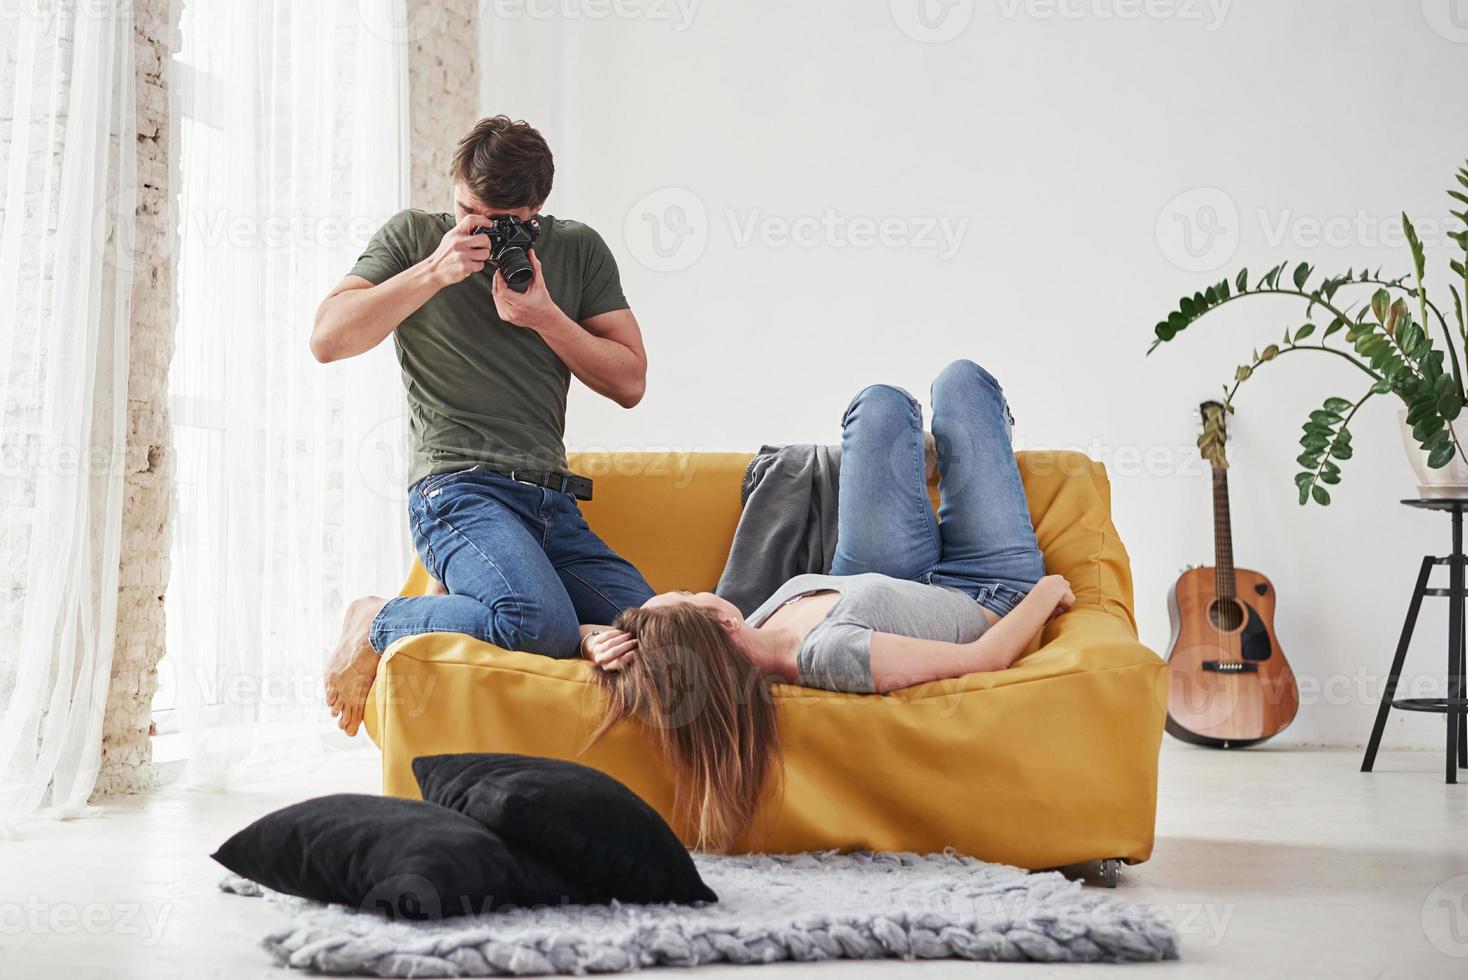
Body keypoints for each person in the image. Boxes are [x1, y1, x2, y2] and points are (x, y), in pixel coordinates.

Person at [582, 359, 1072, 850]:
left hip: (876, 574)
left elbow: (642, 654)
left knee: (877, 404)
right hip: (984, 586)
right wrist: (1047, 591)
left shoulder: (751, 625)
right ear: (722, 622)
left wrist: (596, 643)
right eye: (688, 595)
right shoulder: (826, 656)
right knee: (961, 384)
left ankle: (925, 460)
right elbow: (982, 659)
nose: (695, 589)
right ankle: (975, 449)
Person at [315, 116, 655, 736]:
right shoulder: (416, 237)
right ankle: (376, 619)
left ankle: (568, 627)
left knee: (655, 635)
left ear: (536, 211)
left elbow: (630, 381)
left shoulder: (577, 248)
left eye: (504, 224)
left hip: (553, 504)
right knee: (536, 624)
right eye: (468, 211)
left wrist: (547, 318)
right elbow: (328, 339)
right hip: (458, 491)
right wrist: (433, 273)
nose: (480, 231)